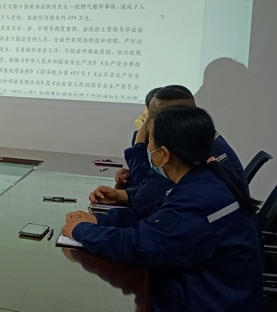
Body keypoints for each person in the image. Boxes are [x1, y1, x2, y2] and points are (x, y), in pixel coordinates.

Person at [63, 105, 262, 311]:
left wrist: (82, 230)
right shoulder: (205, 180)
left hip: (209, 302)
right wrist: (99, 220)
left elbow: (140, 246)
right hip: (211, 291)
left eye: (149, 142)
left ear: (163, 154)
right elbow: (153, 214)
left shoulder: (197, 201)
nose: (147, 149)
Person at [92, 86, 245, 209]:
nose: (147, 122)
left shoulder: (195, 152)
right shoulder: (199, 141)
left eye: (151, 118)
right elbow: (154, 191)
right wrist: (122, 195)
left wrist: (139, 145)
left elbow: (147, 199)